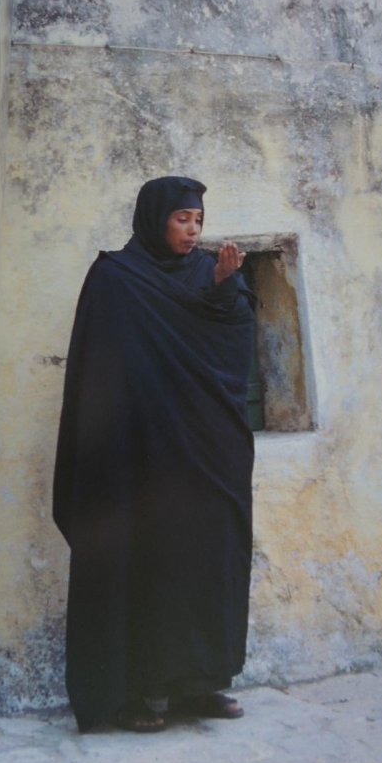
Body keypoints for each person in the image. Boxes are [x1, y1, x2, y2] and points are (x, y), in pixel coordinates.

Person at [53, 176, 256, 733]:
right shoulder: (117, 278)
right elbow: (100, 366)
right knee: (149, 564)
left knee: (206, 561)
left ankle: (200, 682)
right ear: (154, 219)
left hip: (204, 453)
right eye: (182, 220)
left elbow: (234, 353)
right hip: (139, 456)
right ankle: (141, 692)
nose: (193, 231)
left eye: (199, 221)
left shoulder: (211, 273)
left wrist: (221, 294)